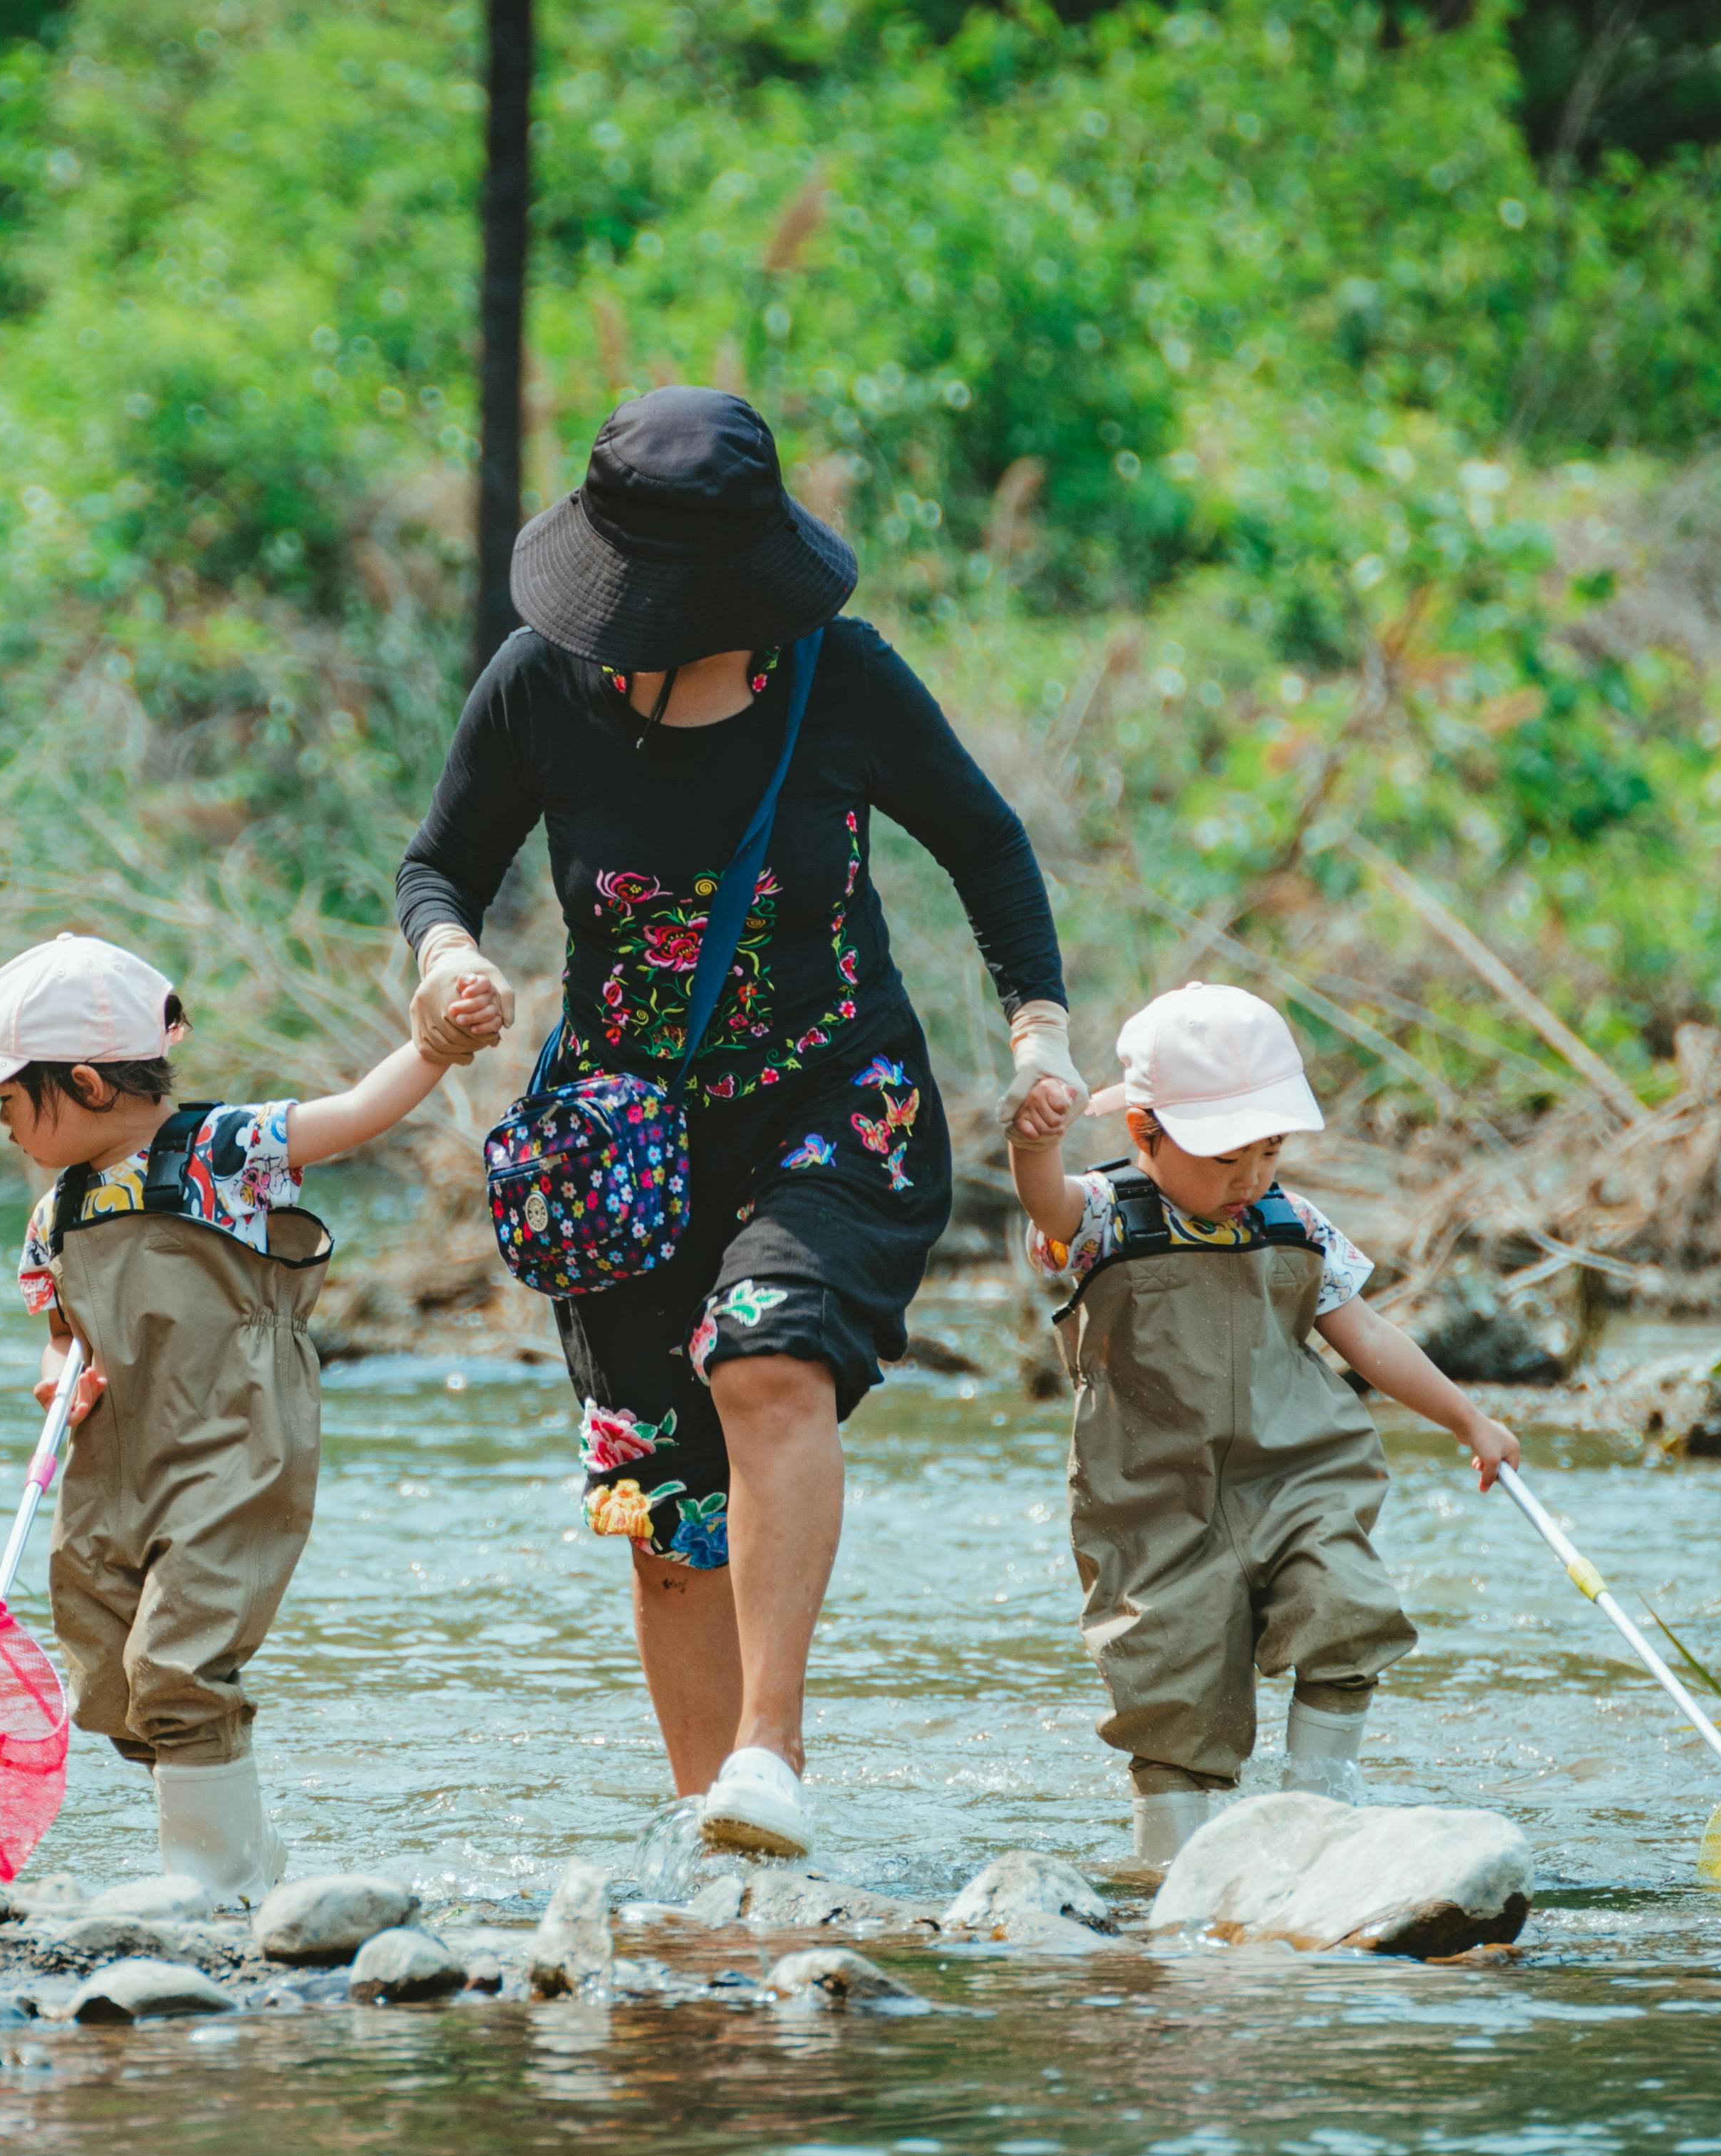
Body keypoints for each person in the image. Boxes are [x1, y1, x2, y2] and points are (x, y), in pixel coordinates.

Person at [401, 387, 1079, 1859]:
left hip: (833, 1097)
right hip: (625, 1145)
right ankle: (715, 1826)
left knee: (766, 1356)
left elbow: (985, 842)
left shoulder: (839, 678)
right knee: (660, 1497)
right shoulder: (538, 683)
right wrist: (449, 956)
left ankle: (773, 1748)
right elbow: (438, 865)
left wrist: (1039, 1024)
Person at [0, 933, 476, 1903]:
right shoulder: (58, 1213)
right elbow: (60, 1323)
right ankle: (246, 1845)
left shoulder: (225, 1152)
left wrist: (432, 1047)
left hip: (234, 1431)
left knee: (179, 1651)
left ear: (86, 1084)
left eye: (8, 1097)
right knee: (107, 1665)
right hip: (112, 1453)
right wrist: (58, 1369)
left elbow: (349, 1115)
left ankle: (204, 1879)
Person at [1005, 981, 1521, 1864]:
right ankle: (1170, 1877)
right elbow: (1045, 1206)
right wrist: (1033, 1147)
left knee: (1345, 1603)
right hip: (1154, 1502)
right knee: (1171, 1689)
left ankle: (1318, 1817)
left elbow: (1368, 1334)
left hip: (1297, 1473)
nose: (1250, 1179)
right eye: (1224, 1158)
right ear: (1144, 1133)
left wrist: (1467, 1417)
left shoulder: (1297, 1225)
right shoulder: (1100, 1217)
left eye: (1269, 1152)